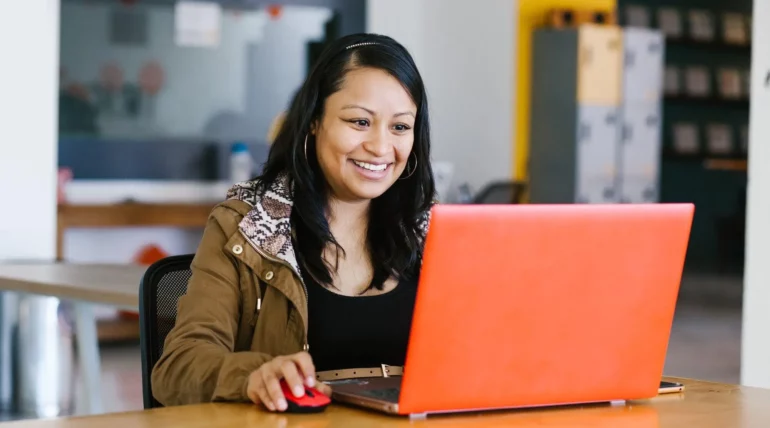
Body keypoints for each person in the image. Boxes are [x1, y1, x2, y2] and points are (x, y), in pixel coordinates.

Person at [151, 33, 436, 411]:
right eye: (360, 121)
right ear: (314, 121)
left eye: (400, 127)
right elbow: (177, 368)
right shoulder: (248, 224)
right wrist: (255, 375)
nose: (382, 148)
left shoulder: (430, 232)